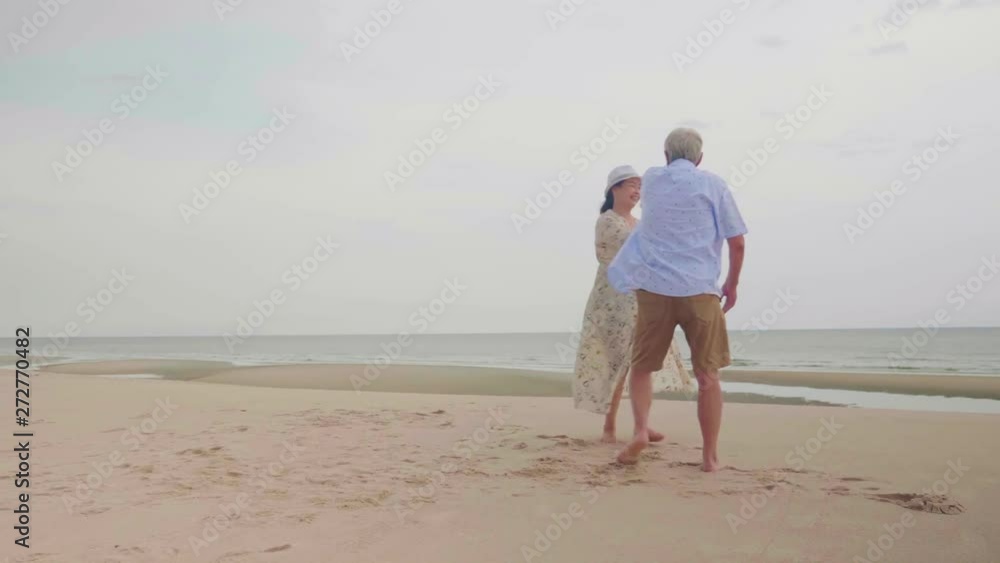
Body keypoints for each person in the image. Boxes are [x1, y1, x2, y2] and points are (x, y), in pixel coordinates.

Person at [608, 129, 747, 471]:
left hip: (655, 289)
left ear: (666, 156)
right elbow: (737, 241)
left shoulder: (654, 179)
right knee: (708, 377)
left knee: (641, 367)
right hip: (700, 289)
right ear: (700, 158)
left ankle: (641, 430)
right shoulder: (714, 184)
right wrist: (731, 283)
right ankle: (709, 457)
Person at [573, 165, 694, 444]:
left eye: (640, 187)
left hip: (640, 298)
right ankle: (610, 428)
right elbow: (634, 249)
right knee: (619, 363)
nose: (637, 192)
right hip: (612, 301)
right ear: (614, 188)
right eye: (632, 186)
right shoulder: (608, 220)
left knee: (639, 362)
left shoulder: (639, 223)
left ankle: (642, 425)